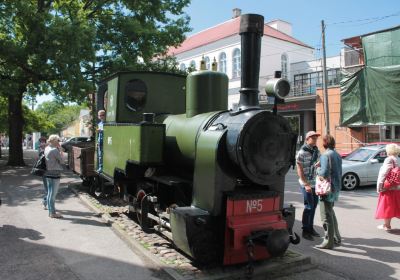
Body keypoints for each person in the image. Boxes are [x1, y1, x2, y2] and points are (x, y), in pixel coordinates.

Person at [316, 134, 342, 249]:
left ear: (324, 143)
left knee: (326, 215)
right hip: (335, 187)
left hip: (327, 188)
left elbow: (323, 173)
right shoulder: (337, 154)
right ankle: (336, 237)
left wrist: (317, 168)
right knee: (331, 211)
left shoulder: (325, 155)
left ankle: (328, 241)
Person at [296, 131, 321, 241]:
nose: (315, 139)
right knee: (309, 206)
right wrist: (306, 184)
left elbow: (319, 163)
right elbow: (299, 169)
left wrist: (319, 164)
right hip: (306, 183)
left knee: (314, 206)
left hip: (315, 183)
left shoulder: (316, 151)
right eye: (313, 137)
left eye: (316, 137)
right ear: (307, 139)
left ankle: (310, 228)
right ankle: (305, 231)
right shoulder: (301, 152)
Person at [375, 143, 400, 231]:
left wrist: (379, 186)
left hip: (388, 186)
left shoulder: (389, 159)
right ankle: (386, 225)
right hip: (396, 186)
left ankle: (387, 225)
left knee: (387, 206)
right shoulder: (398, 159)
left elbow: (383, 174)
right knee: (396, 206)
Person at [44, 135, 64, 218]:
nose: (59, 142)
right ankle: (52, 213)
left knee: (49, 193)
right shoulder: (54, 150)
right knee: (53, 194)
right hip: (55, 173)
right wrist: (61, 151)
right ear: (55, 141)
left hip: (48, 172)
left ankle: (51, 211)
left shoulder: (47, 148)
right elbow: (62, 161)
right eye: (58, 141)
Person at [37, 136, 48, 209]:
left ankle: (45, 201)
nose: (42, 143)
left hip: (46, 171)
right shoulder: (41, 150)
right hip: (45, 171)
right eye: (41, 142)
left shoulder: (46, 149)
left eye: (44, 141)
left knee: (48, 189)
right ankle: (45, 202)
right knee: (48, 189)